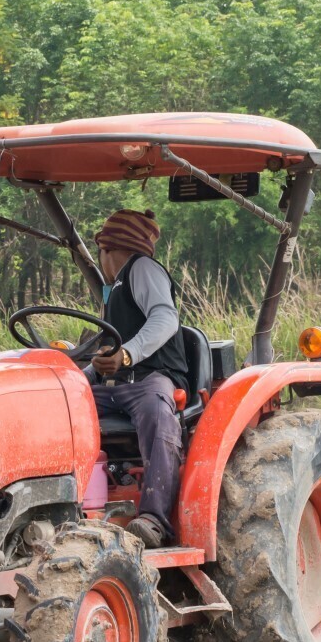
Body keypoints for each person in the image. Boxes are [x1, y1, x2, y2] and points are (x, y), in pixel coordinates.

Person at [88, 208, 187, 549]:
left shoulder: (141, 267)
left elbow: (165, 318)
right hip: (115, 386)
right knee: (63, 405)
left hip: (149, 378)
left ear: (107, 248)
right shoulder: (113, 289)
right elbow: (106, 352)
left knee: (157, 412)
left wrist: (126, 354)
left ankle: (152, 519)